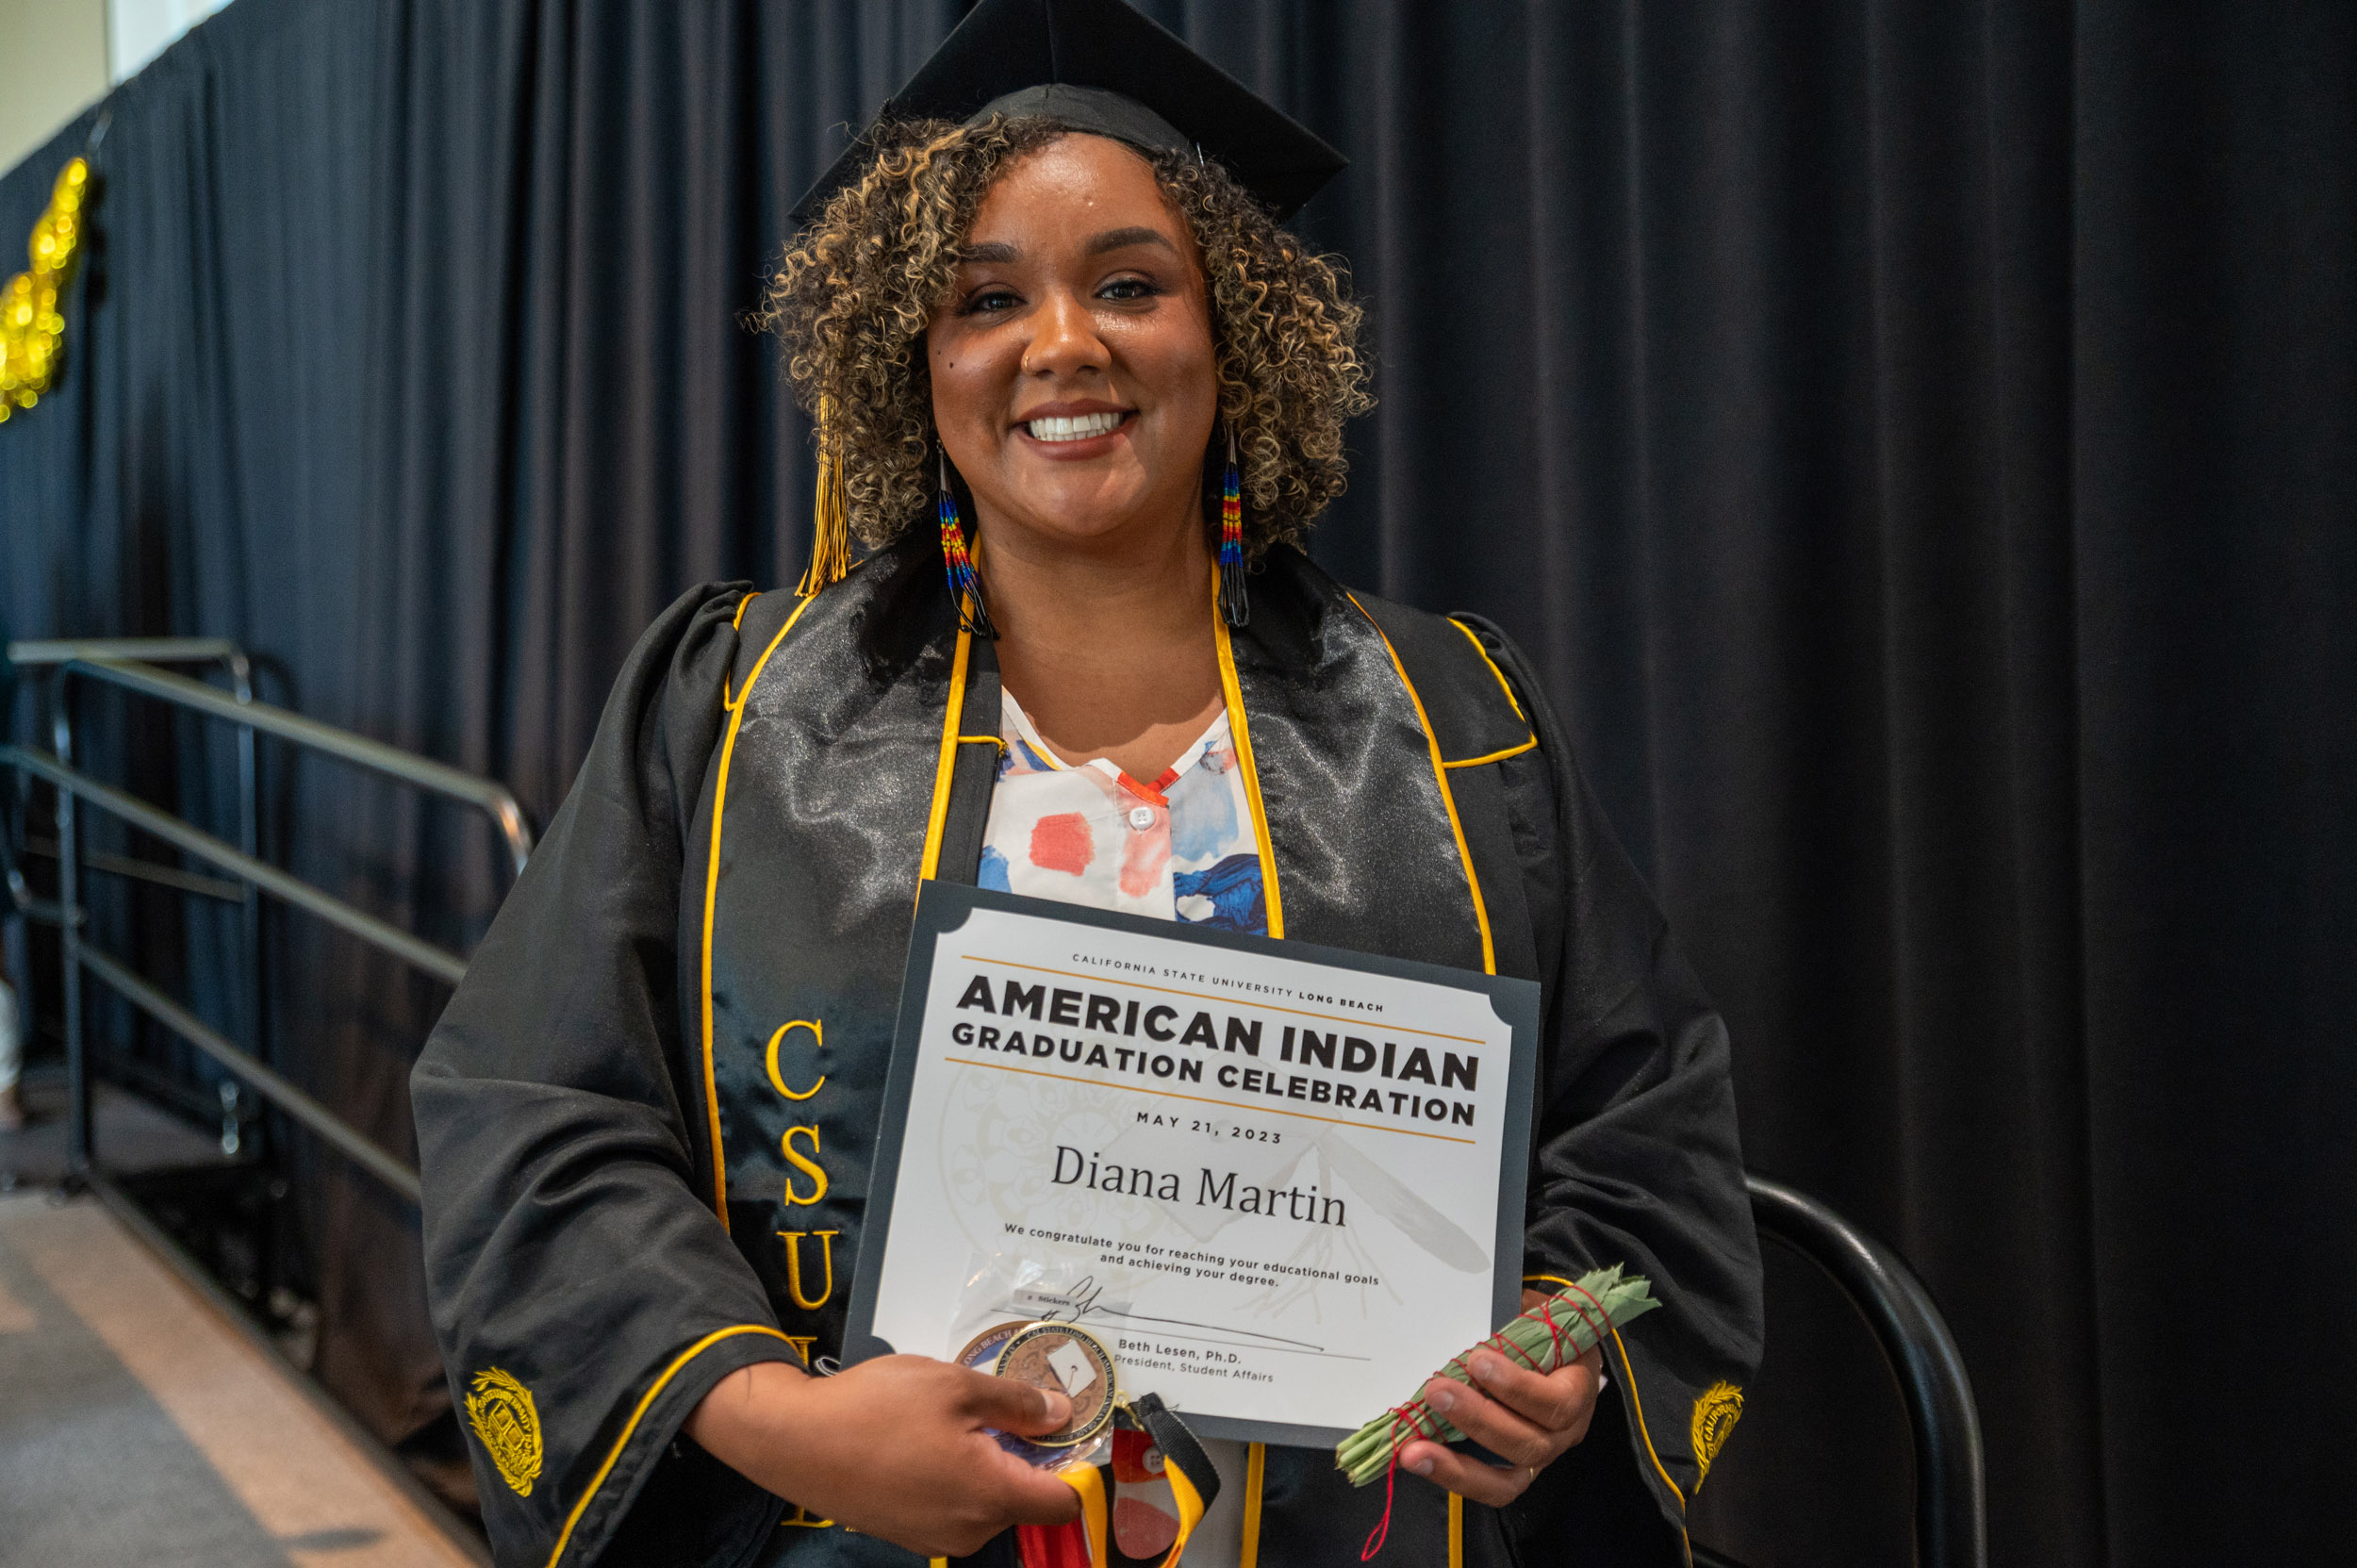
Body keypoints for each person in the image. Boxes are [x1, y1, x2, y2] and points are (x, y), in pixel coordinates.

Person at [412, 2, 1760, 1565]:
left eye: (1131, 284)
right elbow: (531, 1115)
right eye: (986, 300)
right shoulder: (733, 712)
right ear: (912, 358)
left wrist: (1559, 1337)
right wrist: (779, 1420)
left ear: (1232, 328)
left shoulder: (1457, 715)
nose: (1063, 344)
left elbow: (1647, 1128)